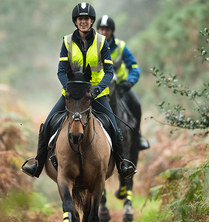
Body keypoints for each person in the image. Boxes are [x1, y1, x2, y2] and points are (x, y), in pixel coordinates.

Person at [21, 3, 137, 180]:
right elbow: (61, 70)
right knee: (47, 125)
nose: (84, 22)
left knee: (114, 127)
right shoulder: (67, 42)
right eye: (80, 19)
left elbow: (109, 71)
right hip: (71, 95)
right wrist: (69, 88)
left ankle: (122, 165)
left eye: (87, 19)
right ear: (76, 21)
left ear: (91, 21)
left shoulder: (101, 42)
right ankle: (37, 163)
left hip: (96, 94)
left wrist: (98, 89)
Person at [97, 15, 150, 150]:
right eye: (101, 29)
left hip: (120, 88)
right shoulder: (91, 46)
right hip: (97, 87)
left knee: (136, 106)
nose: (104, 32)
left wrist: (129, 83)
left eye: (107, 29)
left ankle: (137, 139)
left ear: (112, 31)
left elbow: (134, 67)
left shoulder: (121, 47)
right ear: (97, 30)